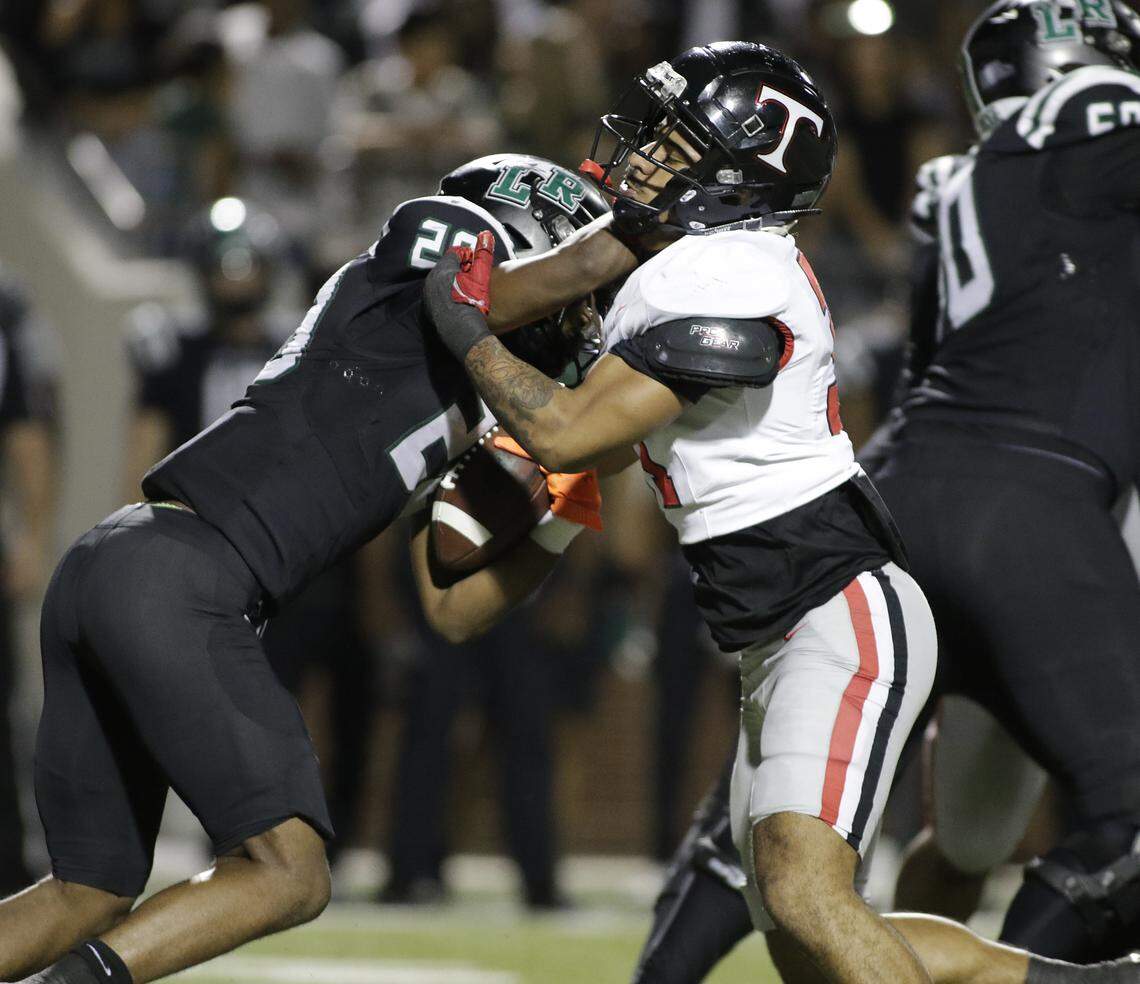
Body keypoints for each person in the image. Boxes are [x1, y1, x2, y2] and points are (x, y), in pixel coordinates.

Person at [423, 40, 1140, 984]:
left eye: (673, 145)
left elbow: (564, 433)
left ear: (739, 171)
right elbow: (556, 308)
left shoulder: (734, 272)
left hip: (836, 613)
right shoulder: (680, 260)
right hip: (774, 632)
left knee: (810, 896)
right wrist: (459, 292)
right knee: (807, 941)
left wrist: (460, 322)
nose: (643, 158)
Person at [0, 152, 638, 984]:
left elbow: (452, 607)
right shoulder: (428, 251)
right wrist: (665, 220)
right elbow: (529, 279)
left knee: (86, 891)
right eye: (581, 295)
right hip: (183, 577)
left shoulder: (456, 384)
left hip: (130, 566)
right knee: (289, 875)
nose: (585, 317)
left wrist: (560, 507)